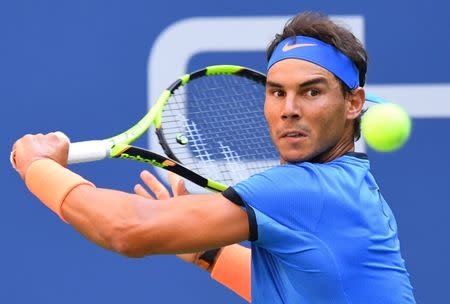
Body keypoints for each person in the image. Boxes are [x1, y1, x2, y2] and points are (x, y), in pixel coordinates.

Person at [11, 12, 415, 303]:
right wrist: (210, 253)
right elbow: (306, 289)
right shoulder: (347, 183)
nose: (288, 109)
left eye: (311, 92)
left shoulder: (300, 189)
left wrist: (39, 169)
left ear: (352, 103)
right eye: (277, 92)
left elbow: (126, 230)